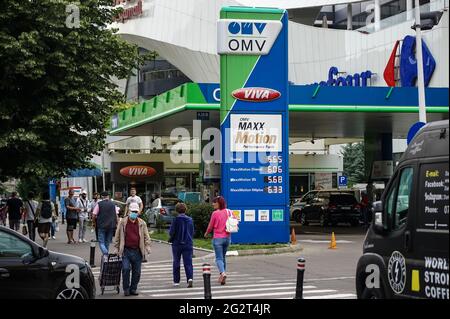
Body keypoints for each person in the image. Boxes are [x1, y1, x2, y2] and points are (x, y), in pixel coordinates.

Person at [113, 201, 151, 297]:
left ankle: (133, 289)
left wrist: (147, 246)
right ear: (129, 211)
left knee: (137, 272)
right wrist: (116, 248)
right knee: (125, 269)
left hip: (138, 251)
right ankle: (126, 289)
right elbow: (117, 236)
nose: (134, 213)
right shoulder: (123, 222)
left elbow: (146, 236)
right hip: (126, 250)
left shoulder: (142, 223)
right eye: (133, 211)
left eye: (136, 211)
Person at [204, 196, 232, 285]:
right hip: (227, 238)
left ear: (219, 203)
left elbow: (210, 226)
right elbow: (236, 221)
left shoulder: (215, 213)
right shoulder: (229, 212)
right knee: (223, 257)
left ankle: (223, 273)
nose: (212, 204)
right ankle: (223, 276)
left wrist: (206, 233)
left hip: (218, 238)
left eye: (214, 202)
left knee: (218, 258)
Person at [169, 202, 194, 288]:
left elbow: (172, 232)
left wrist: (171, 238)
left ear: (177, 210)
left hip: (177, 244)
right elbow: (192, 231)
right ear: (185, 210)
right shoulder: (190, 220)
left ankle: (176, 281)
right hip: (188, 243)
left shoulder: (175, 220)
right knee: (188, 262)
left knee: (176, 261)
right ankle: (190, 278)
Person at [93, 191, 119, 255]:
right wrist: (117, 223)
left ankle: (106, 253)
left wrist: (94, 223)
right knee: (107, 242)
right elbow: (116, 215)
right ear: (108, 196)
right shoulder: (113, 204)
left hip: (101, 225)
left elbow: (93, 215)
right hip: (111, 226)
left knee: (101, 242)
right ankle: (106, 257)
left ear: (102, 197)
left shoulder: (99, 204)